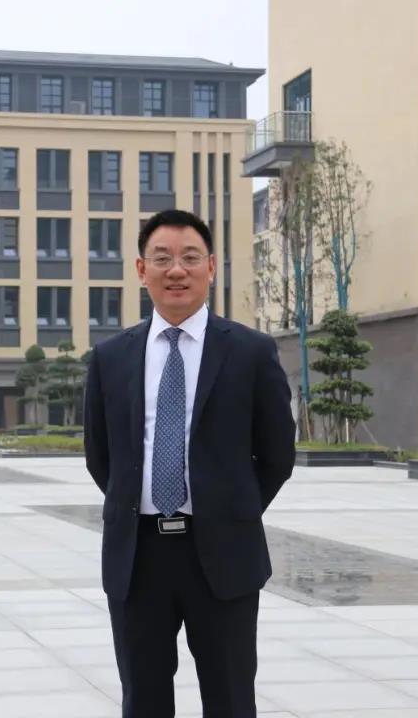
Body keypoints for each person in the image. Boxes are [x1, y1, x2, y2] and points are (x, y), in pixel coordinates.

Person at [84, 209, 295, 717]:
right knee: (143, 700)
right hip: (138, 558)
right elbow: (100, 456)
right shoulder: (111, 357)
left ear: (211, 267)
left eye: (190, 258)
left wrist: (231, 508)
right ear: (141, 270)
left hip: (223, 554)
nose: (176, 270)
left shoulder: (251, 352)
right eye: (162, 259)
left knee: (230, 700)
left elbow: (277, 454)